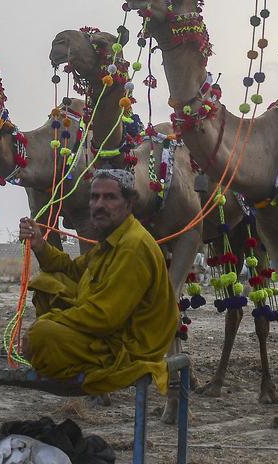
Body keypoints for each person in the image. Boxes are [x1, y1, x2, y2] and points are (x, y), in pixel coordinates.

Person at [17, 169, 177, 394]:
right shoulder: (113, 238)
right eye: (95, 197)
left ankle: (69, 359)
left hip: (126, 348)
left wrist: (47, 324)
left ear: (129, 204)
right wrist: (39, 244)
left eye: (109, 197)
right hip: (108, 331)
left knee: (42, 334)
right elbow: (73, 270)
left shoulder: (133, 246)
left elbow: (104, 316)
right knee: (47, 283)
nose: (99, 204)